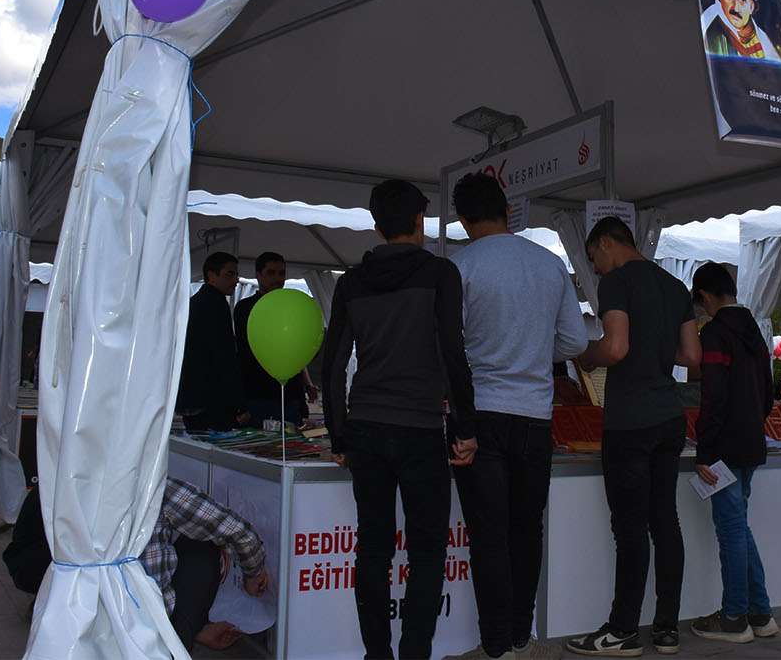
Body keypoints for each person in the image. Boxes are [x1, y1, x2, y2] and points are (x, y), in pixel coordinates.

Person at [322, 179, 478, 660]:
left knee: (372, 548)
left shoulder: (350, 283)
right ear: (418, 221)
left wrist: (338, 435)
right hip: (420, 429)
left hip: (366, 427)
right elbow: (452, 353)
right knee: (426, 551)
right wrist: (465, 428)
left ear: (376, 225)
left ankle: (377, 654)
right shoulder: (440, 273)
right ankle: (414, 653)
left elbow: (332, 364)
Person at [448, 172, 588, 660]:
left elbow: (449, 347)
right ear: (507, 210)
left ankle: (495, 644)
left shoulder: (460, 266)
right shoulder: (550, 264)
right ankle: (519, 636)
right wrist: (533, 350)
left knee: (488, 535)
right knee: (526, 531)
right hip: (535, 415)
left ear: (463, 219)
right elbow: (575, 341)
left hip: (481, 413)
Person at [566, 217, 701, 658]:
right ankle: (666, 628)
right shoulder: (675, 287)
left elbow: (616, 347)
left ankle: (623, 629)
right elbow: (691, 355)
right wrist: (655, 352)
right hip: (669, 417)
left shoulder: (617, 282)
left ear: (607, 243)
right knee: (665, 522)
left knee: (630, 529)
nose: (595, 269)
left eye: (593, 258)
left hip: (629, 420)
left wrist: (587, 355)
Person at [3, 479, 270, 651]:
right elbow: (239, 532)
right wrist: (252, 572)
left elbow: (17, 557)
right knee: (202, 548)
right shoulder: (149, 486)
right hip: (146, 636)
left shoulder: (53, 480)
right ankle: (179, 636)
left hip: (70, 627)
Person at [686, 262, 778, 646]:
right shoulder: (754, 330)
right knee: (739, 526)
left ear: (705, 296)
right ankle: (760, 613)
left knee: (731, 531)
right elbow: (769, 393)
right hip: (751, 442)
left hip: (723, 447)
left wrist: (704, 450)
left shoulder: (715, 334)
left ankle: (734, 617)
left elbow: (713, 396)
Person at [234, 251, 317, 427]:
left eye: (281, 273)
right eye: (271, 273)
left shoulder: (292, 306)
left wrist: (307, 384)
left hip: (290, 395)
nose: (277, 279)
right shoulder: (245, 308)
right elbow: (244, 354)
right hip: (258, 394)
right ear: (258, 275)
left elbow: (296, 349)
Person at [177, 252, 249, 432]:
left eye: (236, 275)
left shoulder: (195, 302)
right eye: (229, 274)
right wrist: (238, 401)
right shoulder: (215, 304)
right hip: (212, 397)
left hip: (193, 396)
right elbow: (224, 354)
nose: (235, 280)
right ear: (211, 275)